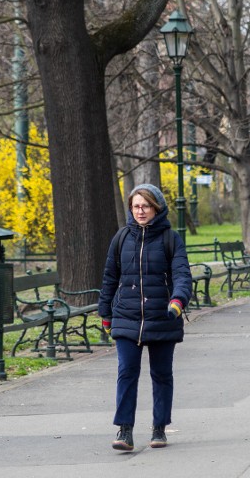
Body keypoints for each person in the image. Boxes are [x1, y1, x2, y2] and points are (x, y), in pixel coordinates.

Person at [99, 184, 192, 451]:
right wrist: (105, 312)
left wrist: (178, 300)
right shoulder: (121, 238)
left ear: (156, 208)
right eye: (136, 206)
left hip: (162, 316)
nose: (140, 211)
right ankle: (124, 430)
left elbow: (182, 274)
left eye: (146, 206)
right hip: (126, 316)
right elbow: (110, 278)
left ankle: (159, 428)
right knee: (126, 371)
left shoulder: (170, 239)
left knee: (161, 374)